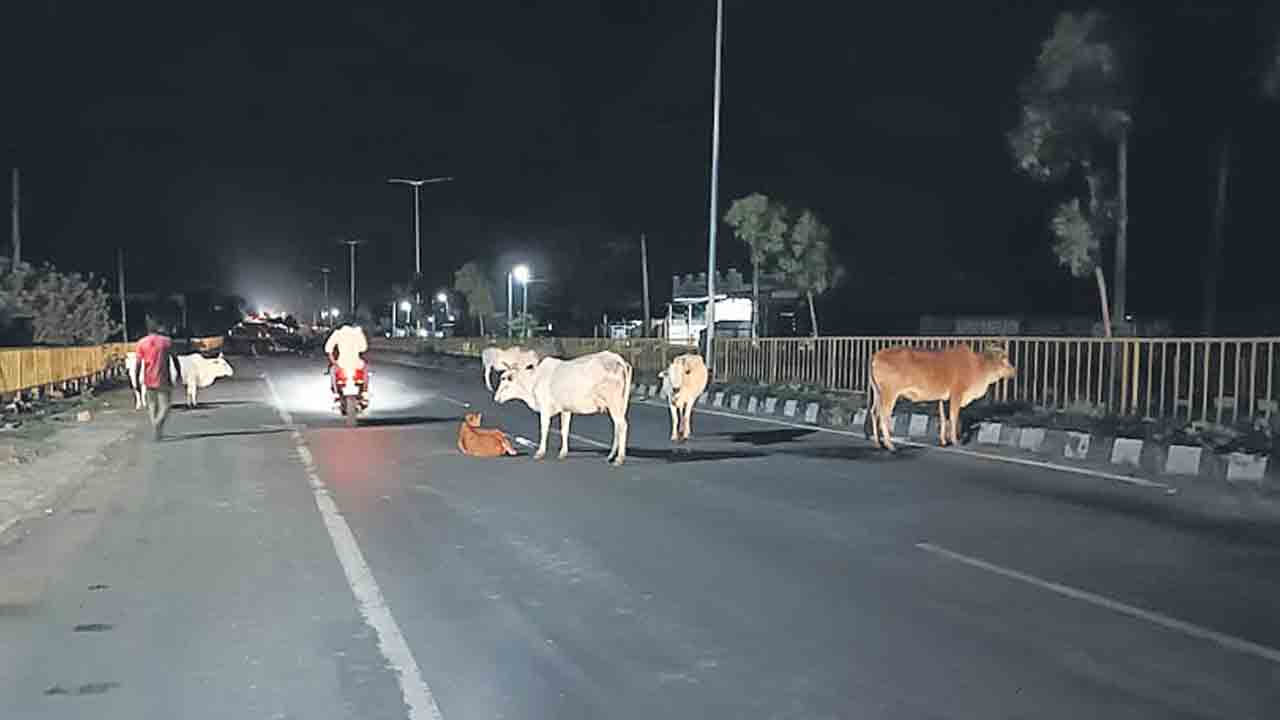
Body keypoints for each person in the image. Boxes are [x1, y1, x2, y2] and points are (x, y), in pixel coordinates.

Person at [133, 319, 183, 441]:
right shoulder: (166, 342)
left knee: (152, 405)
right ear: (158, 328)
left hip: (148, 379)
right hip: (163, 378)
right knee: (165, 406)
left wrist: (136, 380)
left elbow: (138, 364)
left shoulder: (141, 343)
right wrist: (179, 373)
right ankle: (157, 424)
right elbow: (175, 359)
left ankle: (156, 427)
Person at [324, 323, 369, 402]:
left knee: (332, 370)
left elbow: (328, 349)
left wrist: (334, 363)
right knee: (365, 368)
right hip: (356, 363)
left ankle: (336, 393)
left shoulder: (338, 333)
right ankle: (365, 391)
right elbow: (363, 348)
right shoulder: (358, 332)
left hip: (342, 364)